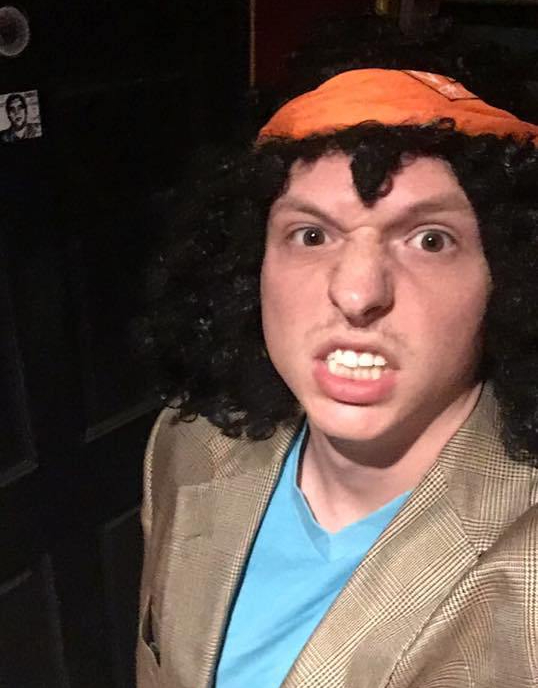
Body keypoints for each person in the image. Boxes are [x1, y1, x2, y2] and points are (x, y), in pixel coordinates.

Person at [136, 67, 538, 688]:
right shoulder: (187, 443)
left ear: (506, 280)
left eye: (430, 240)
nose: (357, 294)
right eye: (311, 234)